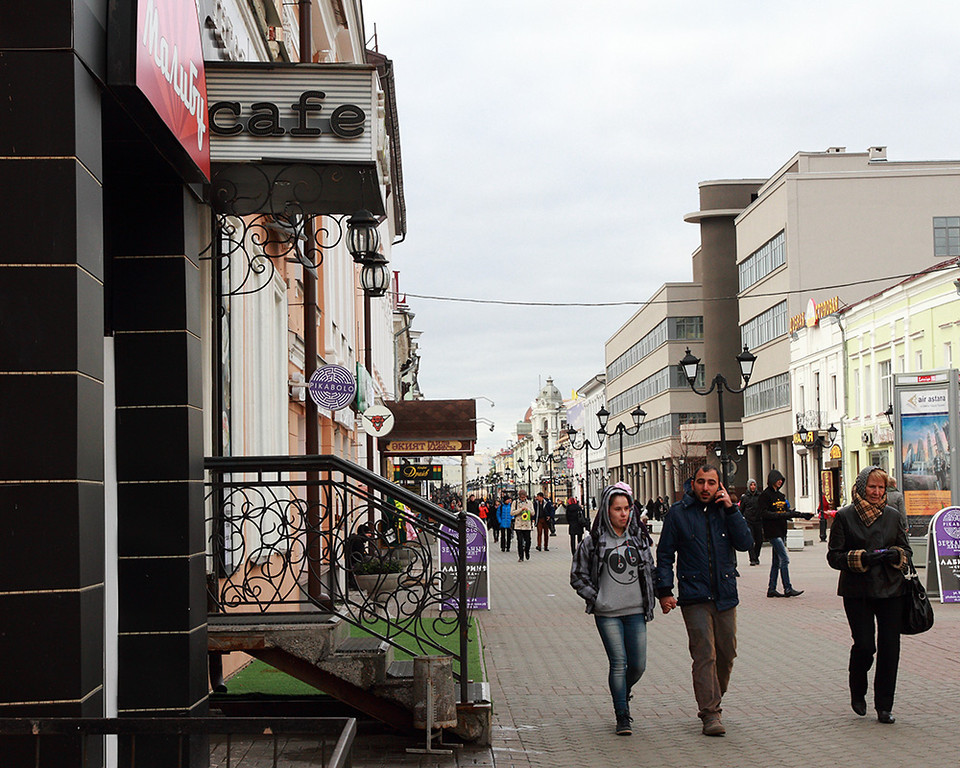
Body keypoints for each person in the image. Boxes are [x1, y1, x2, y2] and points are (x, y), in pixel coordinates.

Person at [655, 465, 753, 736]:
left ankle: (712, 695)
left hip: (725, 595)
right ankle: (710, 712)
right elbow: (664, 555)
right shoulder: (678, 513)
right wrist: (664, 590)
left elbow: (746, 543)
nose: (706, 488)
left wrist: (732, 510)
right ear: (693, 483)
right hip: (694, 595)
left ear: (719, 485)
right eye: (701, 482)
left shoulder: (727, 511)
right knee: (704, 655)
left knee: (727, 653)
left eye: (711, 483)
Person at [571, 483, 656, 736]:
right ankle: (622, 715)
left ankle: (622, 691)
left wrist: (658, 595)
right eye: (617, 509)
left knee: (638, 665)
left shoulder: (638, 539)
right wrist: (596, 599)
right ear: (607, 511)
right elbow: (577, 575)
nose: (623, 514)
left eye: (627, 508)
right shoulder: (594, 541)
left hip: (636, 611)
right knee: (619, 663)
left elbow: (650, 569)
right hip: (607, 613)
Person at [827, 466, 911, 724]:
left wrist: (897, 555)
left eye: (881, 488)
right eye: (872, 487)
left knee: (890, 648)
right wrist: (860, 558)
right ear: (862, 487)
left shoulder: (893, 516)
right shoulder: (845, 516)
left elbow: (906, 551)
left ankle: (884, 705)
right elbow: (834, 556)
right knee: (865, 645)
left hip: (891, 588)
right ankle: (857, 687)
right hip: (857, 590)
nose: (876, 492)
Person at [759, 469, 812, 597]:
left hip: (782, 530)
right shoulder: (765, 496)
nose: (780, 482)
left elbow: (788, 511)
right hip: (772, 532)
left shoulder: (781, 496)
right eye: (778, 479)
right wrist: (779, 515)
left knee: (776, 562)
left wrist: (802, 515)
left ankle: (771, 589)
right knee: (785, 559)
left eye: (781, 480)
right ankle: (787, 588)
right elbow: (763, 513)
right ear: (772, 480)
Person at [739, 479, 762, 565]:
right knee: (751, 540)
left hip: (758, 521)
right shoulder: (745, 497)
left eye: (754, 485)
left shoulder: (759, 496)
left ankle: (756, 556)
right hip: (749, 521)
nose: (753, 487)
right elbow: (741, 509)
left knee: (759, 541)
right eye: (751, 485)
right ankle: (752, 559)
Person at [512, 489, 535, 562]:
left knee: (528, 540)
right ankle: (521, 556)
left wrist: (527, 509)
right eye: (521, 497)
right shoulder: (515, 503)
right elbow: (512, 513)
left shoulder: (529, 503)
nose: (523, 498)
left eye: (524, 497)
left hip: (527, 524)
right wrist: (520, 510)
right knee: (519, 541)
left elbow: (533, 513)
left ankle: (527, 551)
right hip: (518, 524)